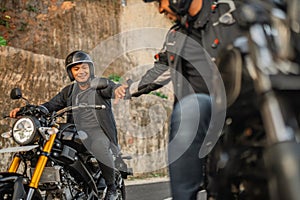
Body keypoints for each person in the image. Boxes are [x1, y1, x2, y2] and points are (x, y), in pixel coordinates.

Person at [118, 0, 227, 199]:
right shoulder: (176, 36)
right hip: (200, 121)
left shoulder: (230, 14)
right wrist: (130, 88)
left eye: (161, 1)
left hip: (239, 110)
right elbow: (162, 70)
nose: (160, 9)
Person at [10, 50, 127, 200]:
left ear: (90, 69)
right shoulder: (69, 91)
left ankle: (111, 187)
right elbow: (50, 105)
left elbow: (111, 87)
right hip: (76, 131)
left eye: (84, 67)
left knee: (98, 146)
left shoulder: (99, 84)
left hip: (99, 131)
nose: (81, 72)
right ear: (71, 72)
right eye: (76, 69)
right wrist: (26, 110)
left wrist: (117, 89)